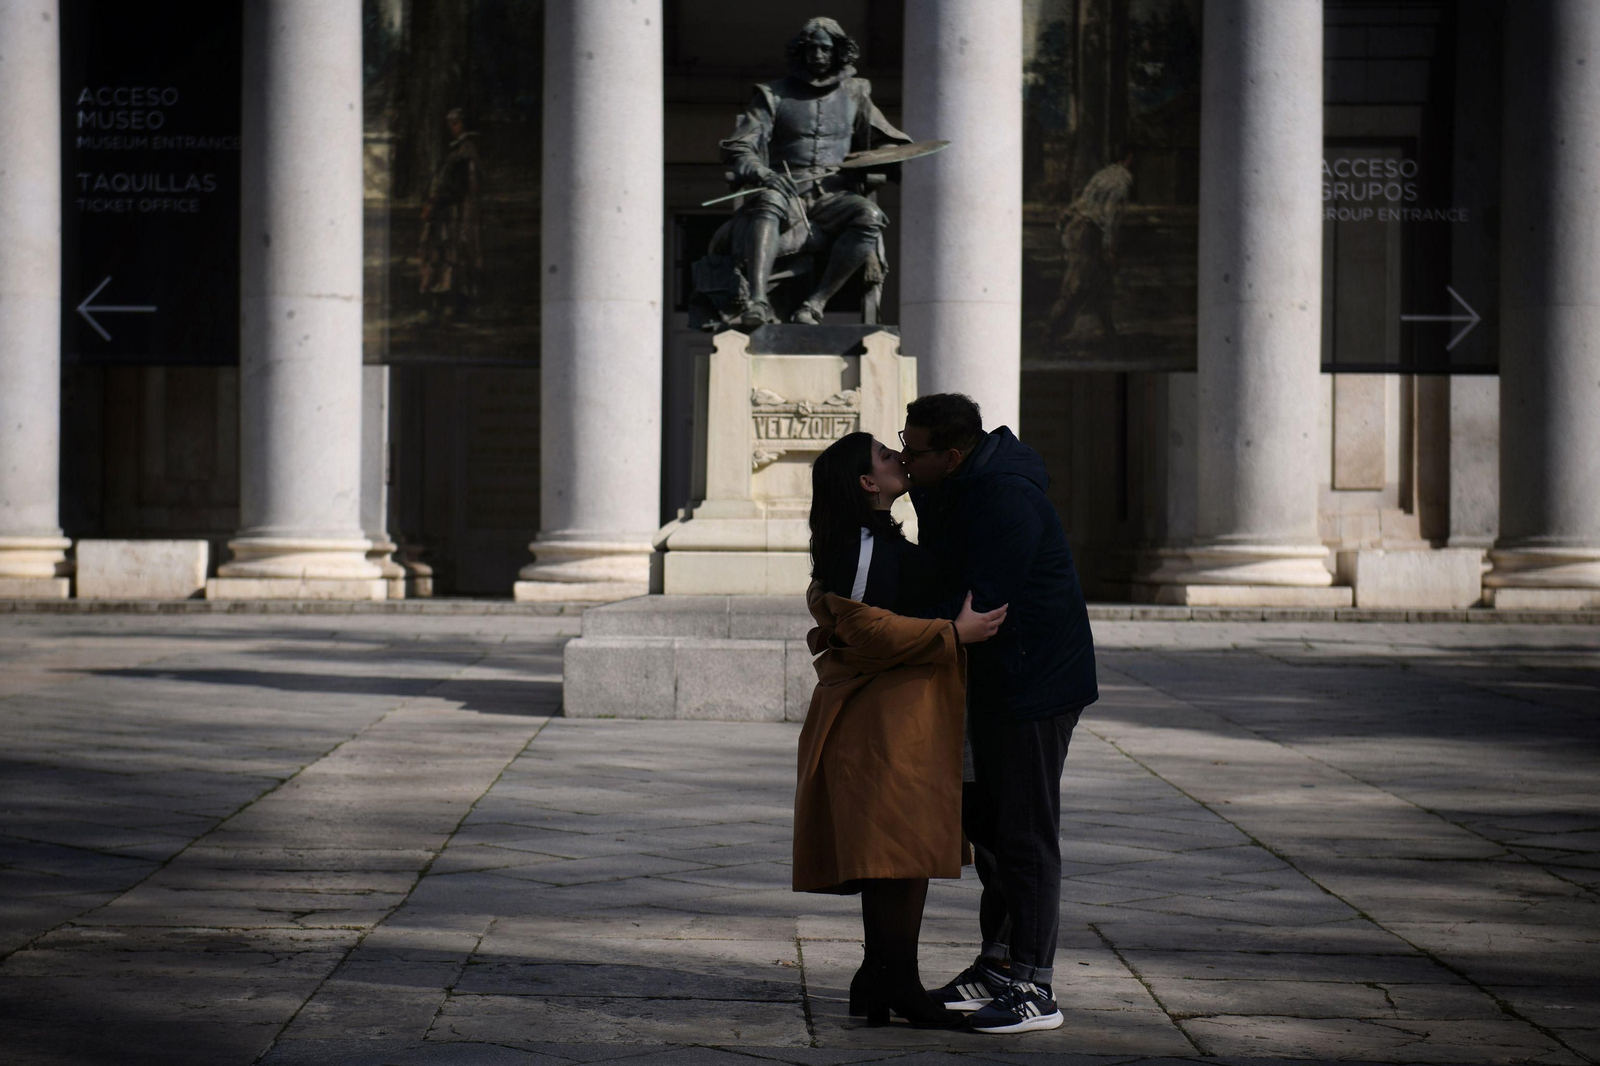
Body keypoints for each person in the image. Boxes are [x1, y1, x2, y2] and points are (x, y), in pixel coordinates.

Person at [897, 393, 1099, 1035]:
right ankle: (998, 963)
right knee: (989, 827)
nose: (904, 456)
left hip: (1033, 684)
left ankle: (1036, 986)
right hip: (991, 684)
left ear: (951, 456)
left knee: (1025, 833)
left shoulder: (1003, 498)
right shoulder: (957, 488)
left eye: (914, 449)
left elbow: (979, 603)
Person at [794, 431, 1008, 1029]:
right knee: (900, 854)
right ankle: (900, 984)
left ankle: (878, 977)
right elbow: (861, 628)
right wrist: (953, 634)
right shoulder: (861, 544)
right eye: (887, 457)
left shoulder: (867, 537)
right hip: (882, 718)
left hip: (895, 712)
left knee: (894, 854)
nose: (900, 459)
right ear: (868, 483)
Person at [715, 18, 912, 326]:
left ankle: (815, 303)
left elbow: (889, 144)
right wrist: (764, 174)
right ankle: (757, 301)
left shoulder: (856, 94)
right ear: (801, 51)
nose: (817, 54)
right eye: (811, 48)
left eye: (825, 48)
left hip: (834, 197)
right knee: (768, 201)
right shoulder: (772, 95)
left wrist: (877, 159)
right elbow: (739, 147)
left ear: (838, 52)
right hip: (785, 190)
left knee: (869, 216)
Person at [1049, 149, 1134, 344]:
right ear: (1128, 158)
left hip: (1079, 227)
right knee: (1076, 285)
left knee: (1102, 284)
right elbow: (1110, 218)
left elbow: (1083, 200)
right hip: (1091, 234)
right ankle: (1051, 333)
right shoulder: (1121, 182)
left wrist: (1065, 218)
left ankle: (1109, 333)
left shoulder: (1103, 175)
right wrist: (1109, 248)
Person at [418, 108, 484, 321]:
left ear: (464, 124)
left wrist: (435, 202)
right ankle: (444, 301)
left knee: (454, 254)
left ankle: (454, 303)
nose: (452, 128)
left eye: (455, 123)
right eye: (450, 124)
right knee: (444, 252)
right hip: (449, 209)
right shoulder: (456, 151)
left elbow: (458, 186)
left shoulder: (465, 152)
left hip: (456, 211)